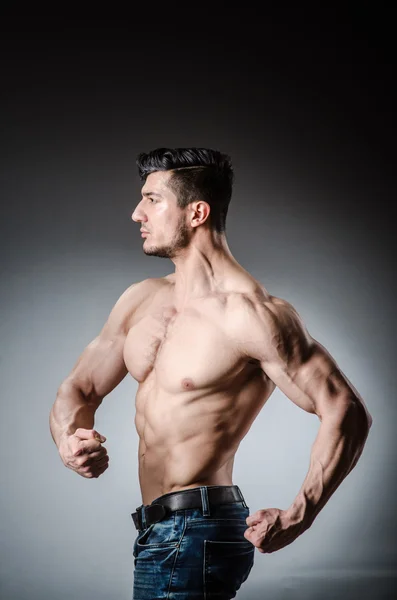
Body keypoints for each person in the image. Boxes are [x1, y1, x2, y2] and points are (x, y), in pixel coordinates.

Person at [49, 147, 373, 599]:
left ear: (197, 212)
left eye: (152, 199)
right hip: (158, 530)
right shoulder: (140, 300)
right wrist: (69, 439)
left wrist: (300, 514)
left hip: (198, 529)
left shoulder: (250, 314)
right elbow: (79, 387)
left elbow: (347, 411)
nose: (136, 212)